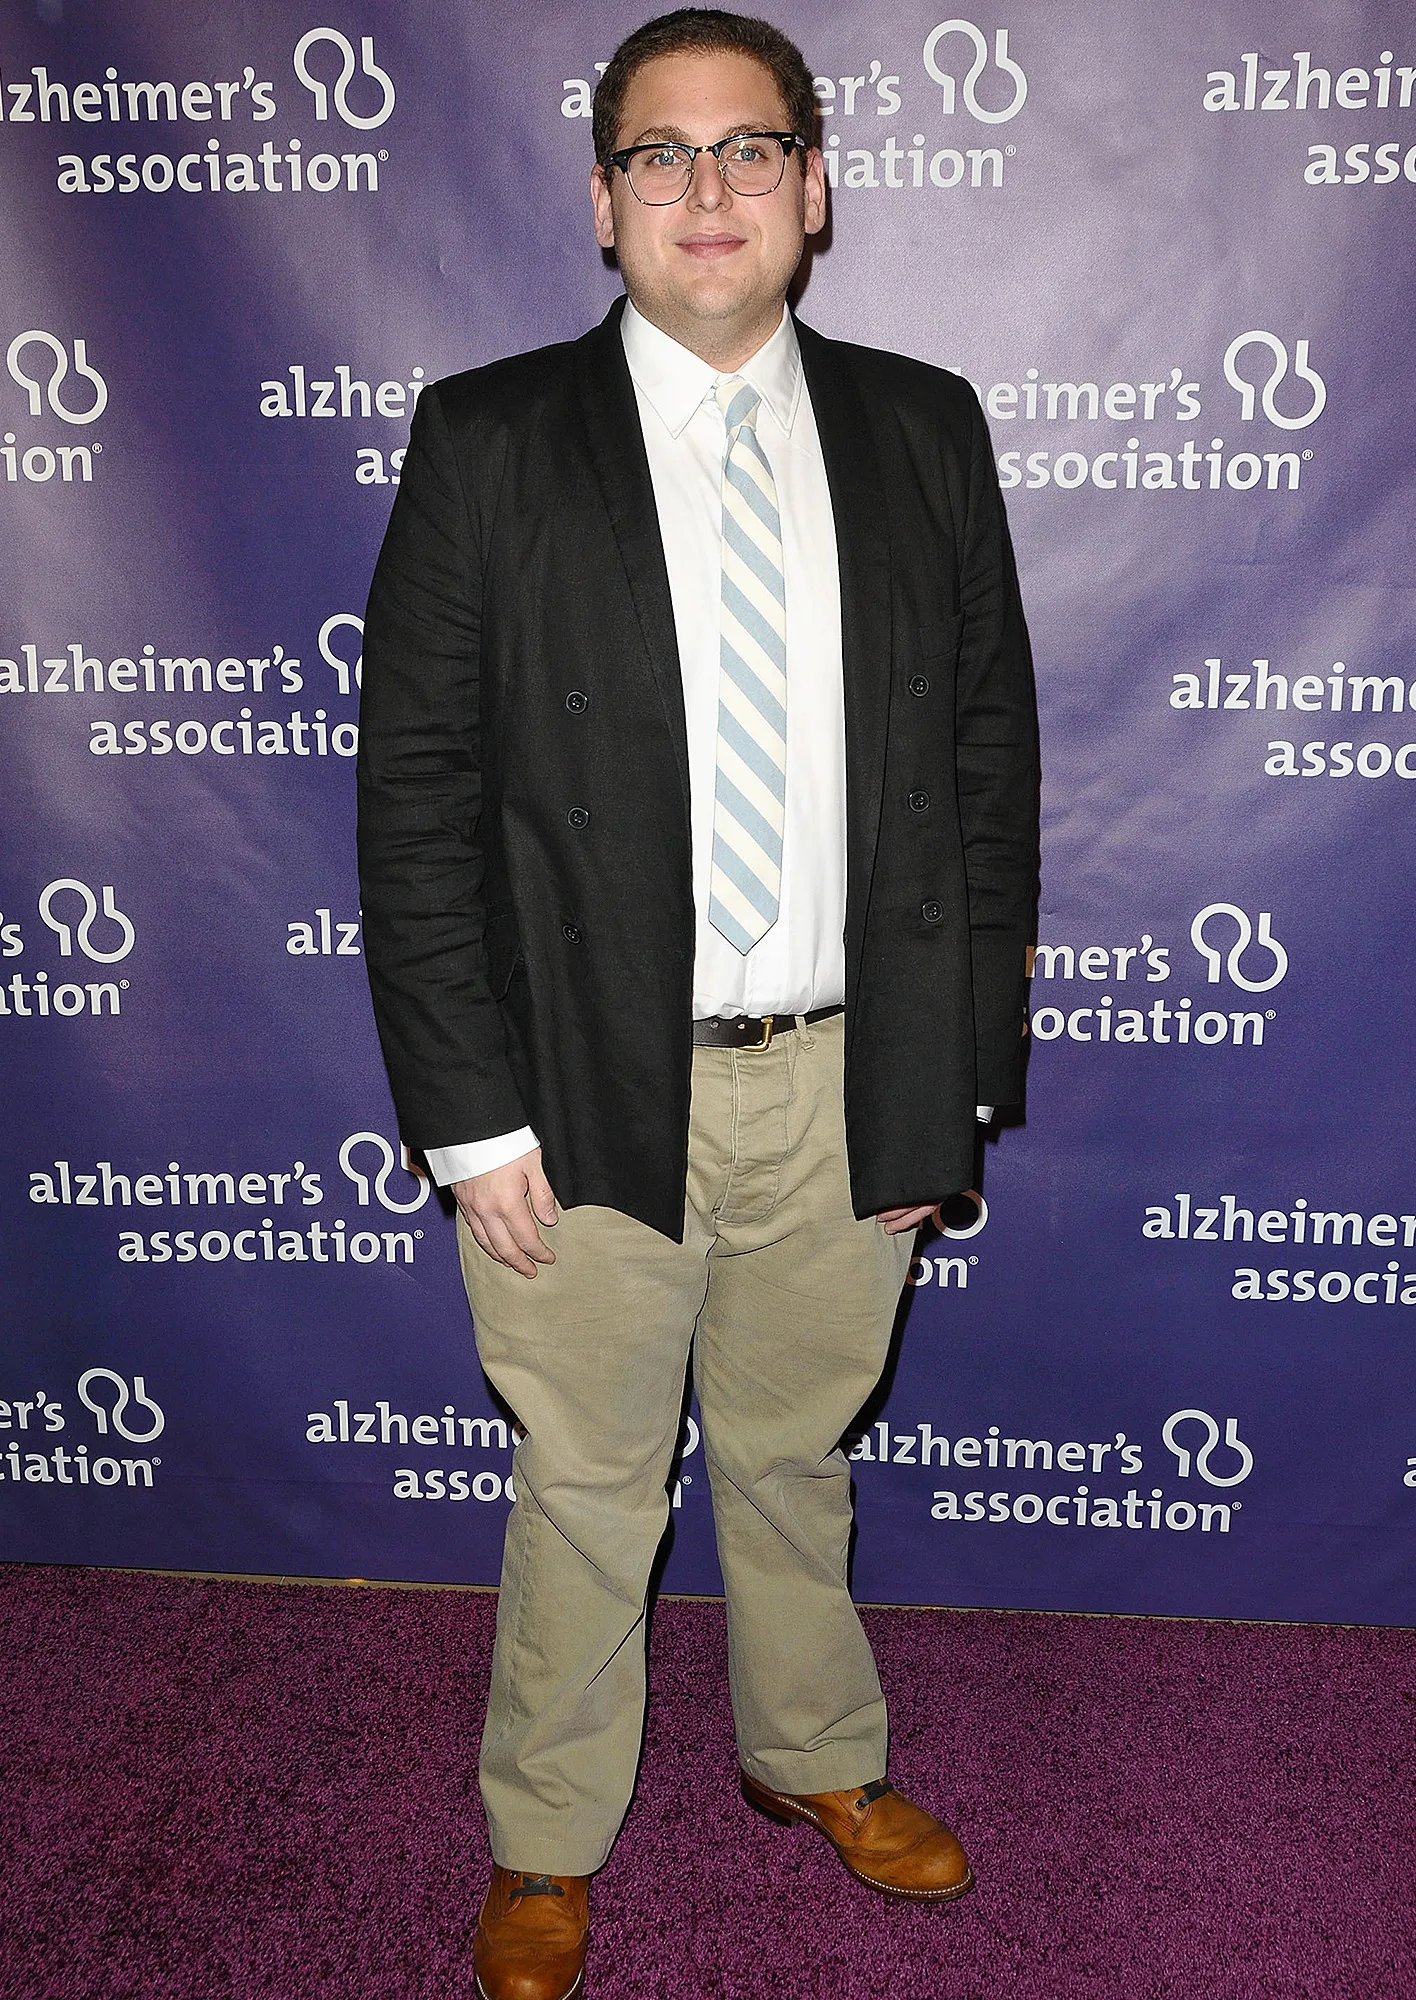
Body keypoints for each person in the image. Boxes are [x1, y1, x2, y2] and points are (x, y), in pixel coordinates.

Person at [357, 10, 1038, 1996]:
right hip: (580, 1083)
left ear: (815, 187)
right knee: (585, 1479)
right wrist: (471, 1117)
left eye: (751, 149)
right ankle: (546, 1839)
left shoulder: (923, 429)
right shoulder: (490, 440)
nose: (709, 188)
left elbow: (987, 767)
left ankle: (814, 1754)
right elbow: (415, 799)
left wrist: (940, 1086)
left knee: (794, 1451)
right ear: (604, 203)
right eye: (663, 154)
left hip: (843, 1074)